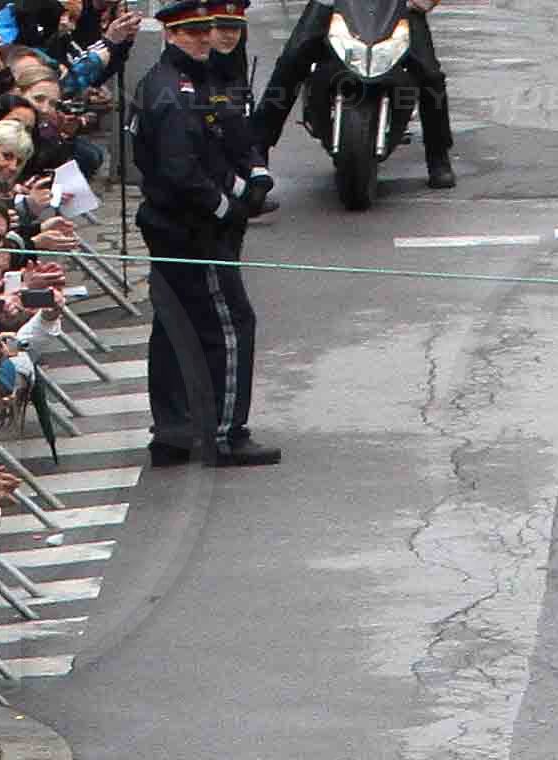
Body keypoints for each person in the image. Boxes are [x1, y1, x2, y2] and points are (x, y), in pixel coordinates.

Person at [130, 0, 274, 469]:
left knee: (177, 325)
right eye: (192, 33)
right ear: (170, 34)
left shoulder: (199, 78)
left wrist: (254, 174)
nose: (203, 39)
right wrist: (226, 208)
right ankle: (227, 432)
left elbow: (230, 129)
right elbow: (178, 171)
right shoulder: (169, 89)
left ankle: (175, 431)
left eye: (205, 31)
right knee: (231, 326)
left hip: (186, 223)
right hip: (190, 228)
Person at [248, 0, 446, 188]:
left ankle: (438, 156)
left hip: (397, 7)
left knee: (431, 75)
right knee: (292, 59)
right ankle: (257, 148)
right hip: (334, 5)